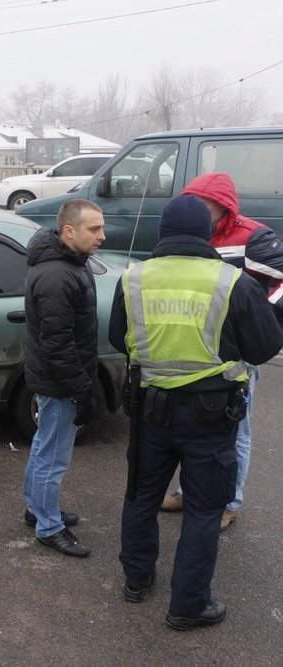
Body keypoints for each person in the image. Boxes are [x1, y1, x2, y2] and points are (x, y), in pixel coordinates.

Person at [110, 195, 282, 630]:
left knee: (141, 497)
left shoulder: (132, 278)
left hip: (149, 411)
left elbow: (117, 337)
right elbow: (264, 347)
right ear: (208, 235)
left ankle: (136, 580)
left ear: (162, 234)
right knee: (205, 510)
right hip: (211, 415)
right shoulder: (231, 281)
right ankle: (187, 606)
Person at [159, 173, 283, 530]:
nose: (197, 209)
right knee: (198, 430)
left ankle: (229, 501)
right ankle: (189, 491)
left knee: (236, 431)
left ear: (223, 205)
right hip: (196, 349)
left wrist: (263, 317)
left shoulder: (253, 237)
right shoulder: (192, 234)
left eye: (204, 203)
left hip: (237, 355)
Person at [21, 199, 106, 557]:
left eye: (101, 227)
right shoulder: (57, 276)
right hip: (60, 383)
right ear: (69, 231)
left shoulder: (73, 263)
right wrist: (83, 391)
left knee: (44, 446)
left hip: (58, 380)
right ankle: (48, 526)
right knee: (53, 457)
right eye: (94, 229)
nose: (102, 235)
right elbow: (58, 345)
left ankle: (37, 508)